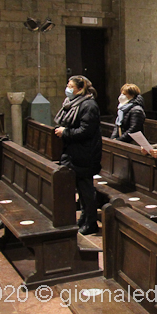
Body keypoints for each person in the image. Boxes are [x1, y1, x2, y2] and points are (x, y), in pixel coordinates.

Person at [54, 75, 102, 235]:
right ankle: (84, 218)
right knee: (81, 190)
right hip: (74, 152)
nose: (68, 89)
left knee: (86, 190)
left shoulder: (89, 105)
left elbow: (86, 131)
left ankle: (91, 222)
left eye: (71, 86)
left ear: (80, 89)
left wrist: (65, 132)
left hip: (85, 154)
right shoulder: (73, 103)